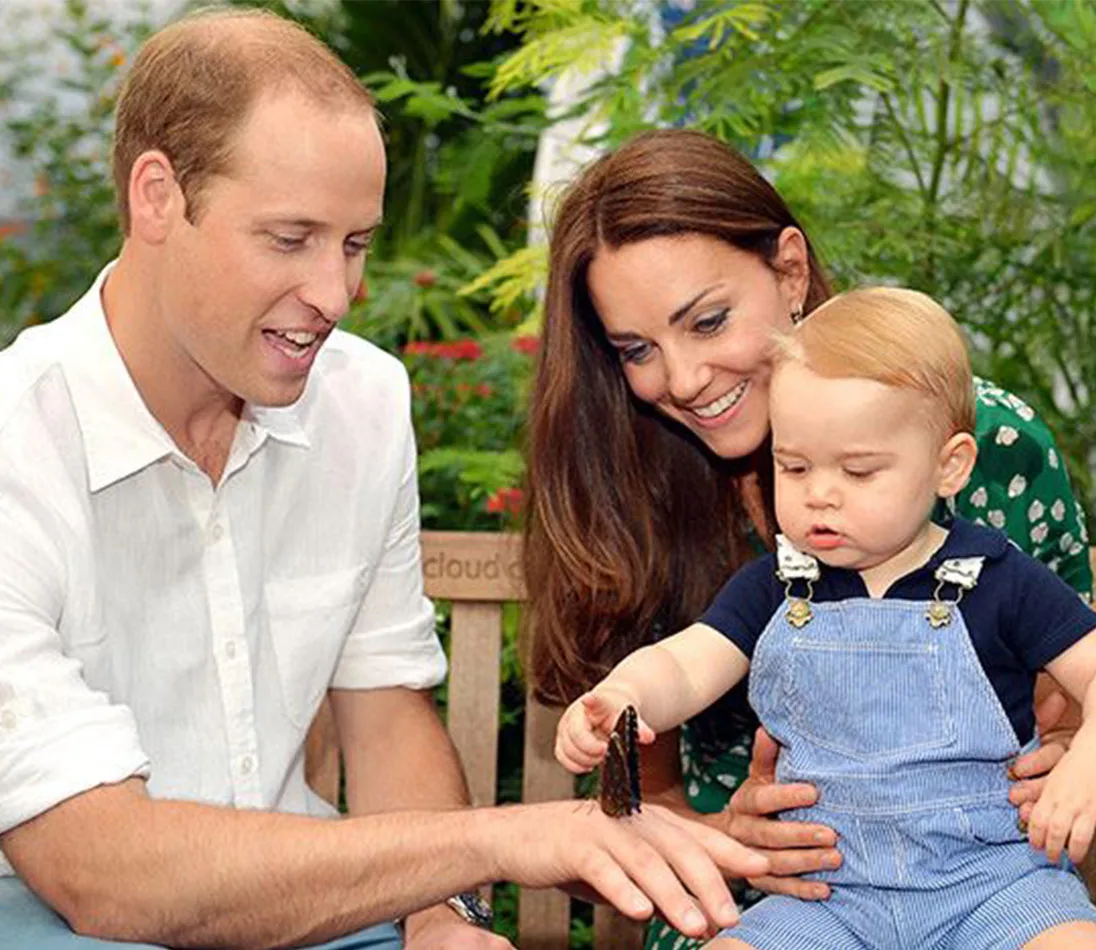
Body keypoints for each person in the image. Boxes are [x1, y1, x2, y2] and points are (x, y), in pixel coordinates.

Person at [0, 11, 775, 949]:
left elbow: (385, 716)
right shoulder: (19, 445)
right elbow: (100, 869)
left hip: (327, 919)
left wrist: (441, 917)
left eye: (356, 244)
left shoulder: (361, 401)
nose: (336, 294)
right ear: (157, 197)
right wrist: (495, 837)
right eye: (291, 239)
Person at [523, 129, 1096, 949]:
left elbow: (1081, 690)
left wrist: (1078, 749)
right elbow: (635, 803)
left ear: (789, 271)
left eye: (709, 320)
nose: (682, 380)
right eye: (638, 351)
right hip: (770, 905)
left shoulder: (979, 443)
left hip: (982, 882)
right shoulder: (633, 487)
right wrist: (724, 840)